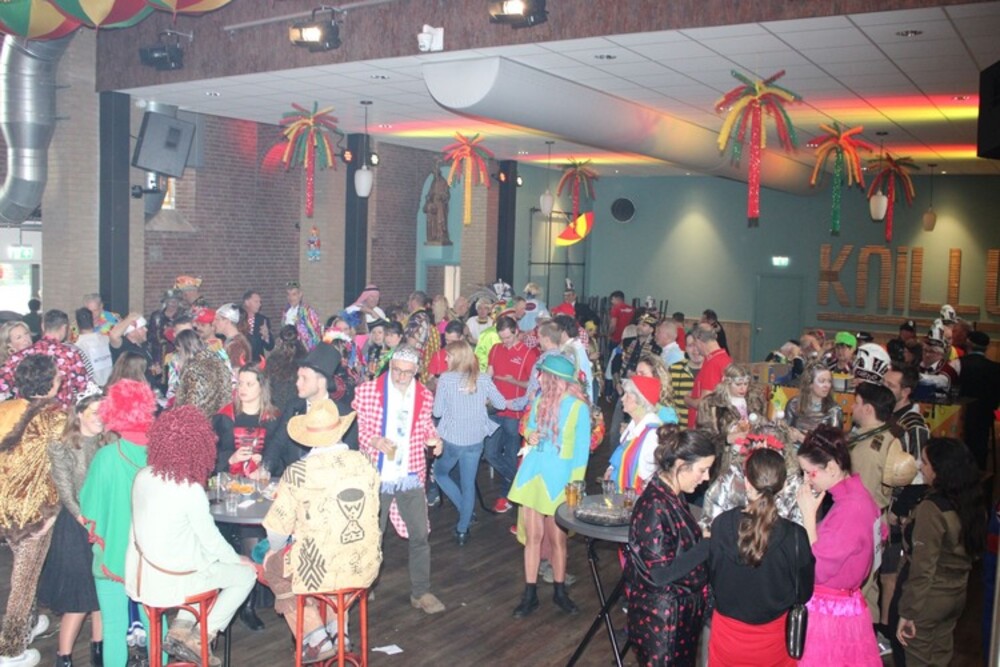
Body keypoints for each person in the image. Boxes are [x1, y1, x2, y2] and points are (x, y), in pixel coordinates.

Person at [125, 406, 256, 667]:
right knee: (245, 575)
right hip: (175, 582)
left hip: (143, 578)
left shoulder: (142, 476)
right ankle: (201, 638)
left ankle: (181, 629)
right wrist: (238, 559)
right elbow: (211, 541)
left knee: (204, 565)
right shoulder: (190, 489)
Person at [262, 399, 381, 663]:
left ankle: (315, 636)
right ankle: (339, 631)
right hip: (365, 564)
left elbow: (276, 530)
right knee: (336, 553)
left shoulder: (298, 472)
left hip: (321, 571)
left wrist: (275, 550)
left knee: (273, 566)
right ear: (339, 430)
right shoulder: (365, 461)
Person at [353, 345, 446, 615]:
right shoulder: (368, 391)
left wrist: (435, 439)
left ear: (416, 371)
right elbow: (360, 428)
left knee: (420, 534)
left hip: (410, 474)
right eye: (396, 370)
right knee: (374, 535)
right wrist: (375, 440)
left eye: (407, 372)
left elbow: (426, 426)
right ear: (390, 366)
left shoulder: (424, 395)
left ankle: (421, 592)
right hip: (377, 475)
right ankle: (366, 585)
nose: (401, 376)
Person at [704, 448, 815, 667]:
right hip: (773, 643)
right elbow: (803, 593)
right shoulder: (795, 536)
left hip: (727, 639)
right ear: (783, 485)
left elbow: (712, 577)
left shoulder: (721, 524)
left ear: (746, 482)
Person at [79, 379, 157, 667]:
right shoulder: (163, 455)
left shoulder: (106, 457)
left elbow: (88, 510)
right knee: (155, 624)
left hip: (112, 556)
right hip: (153, 558)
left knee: (113, 629)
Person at [625, 426, 715, 666]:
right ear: (681, 465)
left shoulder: (672, 495)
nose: (706, 478)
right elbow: (660, 573)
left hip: (677, 617)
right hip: (662, 622)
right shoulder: (655, 505)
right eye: (702, 470)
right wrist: (708, 544)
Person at [509, 355, 591, 618]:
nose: (540, 378)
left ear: (554, 379)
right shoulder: (539, 401)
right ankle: (529, 593)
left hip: (561, 480)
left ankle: (559, 591)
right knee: (532, 538)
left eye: (544, 374)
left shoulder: (579, 408)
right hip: (533, 475)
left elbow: (581, 453)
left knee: (558, 540)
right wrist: (530, 434)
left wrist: (574, 488)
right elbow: (530, 427)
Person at [891, 438, 985, 667]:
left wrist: (908, 613)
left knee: (916, 659)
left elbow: (922, 568)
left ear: (940, 470)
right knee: (940, 657)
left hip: (928, 600)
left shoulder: (932, 509)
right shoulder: (973, 503)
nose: (920, 466)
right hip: (957, 594)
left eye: (925, 462)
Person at [795, 425, 882, 666]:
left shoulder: (851, 509)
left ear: (832, 468)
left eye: (809, 472)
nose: (805, 480)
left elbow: (817, 569)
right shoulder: (855, 496)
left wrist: (808, 517)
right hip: (845, 607)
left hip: (830, 615)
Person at [0, 356, 67, 667]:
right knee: (24, 580)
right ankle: (11, 649)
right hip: (32, 512)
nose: (61, 376)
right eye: (57, 374)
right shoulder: (53, 418)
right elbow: (61, 467)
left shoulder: (6, 408)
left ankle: (29, 624)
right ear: (47, 383)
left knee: (24, 569)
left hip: (5, 508)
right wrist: (52, 511)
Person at [38, 390, 108, 667]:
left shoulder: (107, 442)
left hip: (104, 522)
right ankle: (64, 658)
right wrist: (85, 520)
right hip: (76, 527)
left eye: (104, 412)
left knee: (102, 595)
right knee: (78, 599)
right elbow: (66, 492)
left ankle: (99, 654)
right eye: (95, 413)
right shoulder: (62, 446)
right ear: (79, 414)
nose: (101, 418)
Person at [432, 341, 507, 544]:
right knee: (468, 484)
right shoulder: (483, 378)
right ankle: (462, 529)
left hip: (453, 439)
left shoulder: (446, 379)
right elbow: (501, 404)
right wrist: (482, 401)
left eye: (448, 355)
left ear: (456, 357)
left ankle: (465, 511)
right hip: (476, 439)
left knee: (440, 473)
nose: (445, 359)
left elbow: (437, 412)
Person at [264, 343, 343, 476]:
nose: (297, 383)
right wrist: (265, 469)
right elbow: (277, 444)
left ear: (321, 382)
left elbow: (346, 461)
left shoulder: (342, 414)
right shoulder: (293, 407)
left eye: (304, 378)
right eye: (298, 377)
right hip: (293, 481)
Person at [485, 316, 538, 513]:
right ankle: (519, 483)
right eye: (502, 338)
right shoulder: (495, 349)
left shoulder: (529, 354)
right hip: (494, 409)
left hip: (514, 412)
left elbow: (532, 385)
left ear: (516, 331)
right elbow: (489, 374)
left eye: (508, 337)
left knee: (510, 455)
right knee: (490, 453)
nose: (505, 341)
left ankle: (506, 495)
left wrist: (512, 381)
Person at [0, 309, 90, 408]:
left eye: (26, 334)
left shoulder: (16, 358)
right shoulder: (70, 353)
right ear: (65, 328)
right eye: (19, 337)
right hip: (59, 412)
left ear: (42, 326)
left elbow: (2, 387)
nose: (26, 339)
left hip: (26, 412)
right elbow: (85, 388)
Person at [605, 375, 664, 492]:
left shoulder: (653, 435)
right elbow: (623, 453)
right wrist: (611, 468)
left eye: (627, 395)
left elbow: (649, 478)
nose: (622, 399)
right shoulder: (633, 426)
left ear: (640, 401)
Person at [954, 331, 1000, 470]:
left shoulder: (957, 363)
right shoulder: (996, 368)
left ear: (968, 343)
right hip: (984, 415)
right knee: (980, 446)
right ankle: (979, 472)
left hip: (959, 415)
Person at [173, 329, 233, 419]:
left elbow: (191, 407)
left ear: (186, 350)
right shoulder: (218, 362)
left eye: (179, 352)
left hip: (201, 422)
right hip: (222, 419)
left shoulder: (193, 370)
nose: (178, 356)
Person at [783, 362, 844, 444]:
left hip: (818, 452)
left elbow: (834, 445)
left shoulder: (834, 410)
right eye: (822, 381)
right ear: (809, 384)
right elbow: (785, 433)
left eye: (829, 381)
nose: (827, 385)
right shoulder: (793, 404)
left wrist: (801, 437)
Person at [686, 322, 732, 429]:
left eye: (695, 343)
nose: (696, 348)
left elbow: (705, 403)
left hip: (703, 428)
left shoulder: (713, 363)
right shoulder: (724, 358)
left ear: (698, 340)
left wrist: (687, 400)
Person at [265, 325, 306, 411]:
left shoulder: (272, 360)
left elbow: (267, 385)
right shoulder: (306, 360)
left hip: (277, 406)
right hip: (299, 406)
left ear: (280, 340)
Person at [73, 309, 113, 387]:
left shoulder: (77, 346)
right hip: (109, 385)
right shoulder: (105, 339)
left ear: (77, 324)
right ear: (93, 322)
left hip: (92, 389)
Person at [669, 333, 702, 426]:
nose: (695, 350)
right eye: (691, 345)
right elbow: (665, 400)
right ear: (686, 349)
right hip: (680, 430)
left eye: (698, 345)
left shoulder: (713, 370)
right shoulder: (674, 369)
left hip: (706, 431)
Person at [282, 281, 323, 351]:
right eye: (288, 294)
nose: (291, 298)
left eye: (294, 294)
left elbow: (316, 336)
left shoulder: (307, 312)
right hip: (289, 351)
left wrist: (300, 326)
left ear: (300, 294)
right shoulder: (286, 312)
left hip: (305, 351)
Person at [214, 303, 252, 373]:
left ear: (227, 321)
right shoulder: (232, 341)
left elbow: (236, 373)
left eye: (217, 319)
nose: (214, 323)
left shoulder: (236, 345)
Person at [241, 290, 273, 363]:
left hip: (257, 363)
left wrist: (266, 336)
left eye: (260, 302)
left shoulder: (263, 320)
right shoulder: (238, 319)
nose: (259, 304)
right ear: (247, 302)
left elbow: (270, 347)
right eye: (256, 302)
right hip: (241, 361)